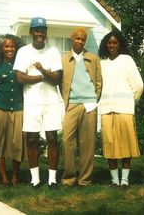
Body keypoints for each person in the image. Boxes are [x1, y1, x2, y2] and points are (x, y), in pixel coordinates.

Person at [13, 17, 62, 189]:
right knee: (32, 138)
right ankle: (35, 178)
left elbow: (57, 79)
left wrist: (41, 69)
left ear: (46, 32)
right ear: (31, 32)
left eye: (42, 30)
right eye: (36, 30)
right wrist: (43, 76)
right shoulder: (23, 52)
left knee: (52, 139)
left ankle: (52, 178)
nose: (39, 33)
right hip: (32, 102)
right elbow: (19, 77)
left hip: (51, 101)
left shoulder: (53, 52)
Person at [98, 30, 143, 187]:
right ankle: (114, 180)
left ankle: (124, 180)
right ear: (105, 44)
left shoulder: (127, 60)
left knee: (126, 145)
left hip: (124, 109)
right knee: (109, 145)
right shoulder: (101, 63)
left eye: (114, 42)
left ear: (120, 44)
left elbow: (139, 85)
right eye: (109, 42)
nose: (111, 45)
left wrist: (132, 101)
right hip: (106, 109)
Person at [61, 27, 102, 187]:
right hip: (71, 104)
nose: (80, 41)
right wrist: (67, 99)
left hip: (89, 104)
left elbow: (99, 82)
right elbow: (61, 83)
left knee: (88, 142)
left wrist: (94, 99)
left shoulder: (93, 58)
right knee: (67, 141)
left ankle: (85, 179)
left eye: (83, 39)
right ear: (72, 38)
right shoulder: (64, 59)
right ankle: (69, 178)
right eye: (77, 38)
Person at [0, 34, 27, 186]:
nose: (9, 49)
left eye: (12, 46)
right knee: (0, 144)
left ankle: (15, 176)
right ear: (1, 49)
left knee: (18, 143)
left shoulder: (22, 64)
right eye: (6, 46)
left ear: (16, 48)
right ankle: (4, 177)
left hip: (18, 109)